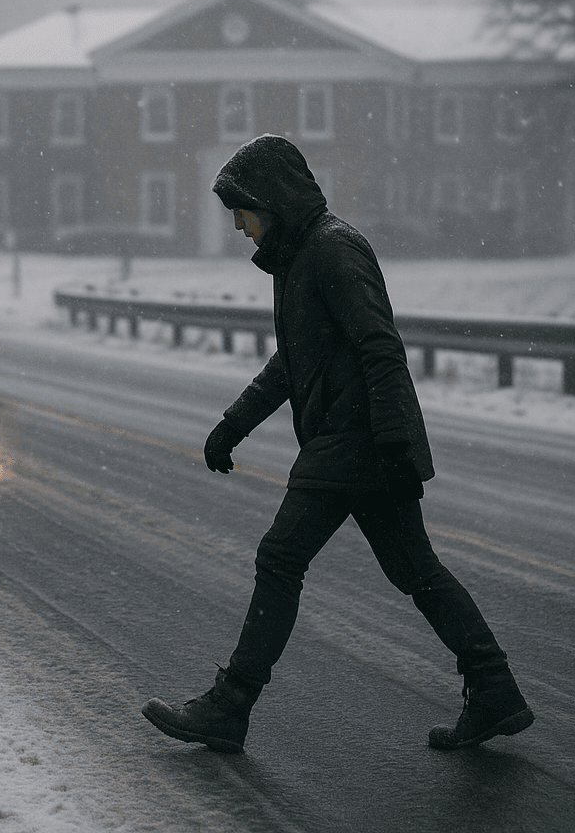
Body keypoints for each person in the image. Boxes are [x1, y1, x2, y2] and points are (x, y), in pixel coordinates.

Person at [141, 134, 533, 754]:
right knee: (416, 571)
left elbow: (380, 346)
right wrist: (233, 424)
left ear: (273, 202)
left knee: (280, 559)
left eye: (244, 212)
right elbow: (290, 364)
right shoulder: (297, 258)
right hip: (355, 441)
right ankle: (494, 688)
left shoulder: (333, 250)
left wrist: (398, 444)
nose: (239, 227)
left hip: (357, 440)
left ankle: (230, 705)